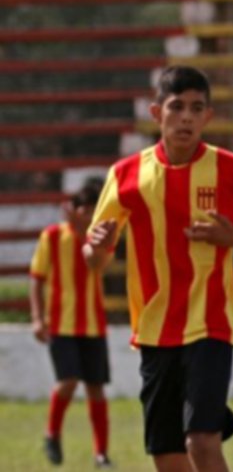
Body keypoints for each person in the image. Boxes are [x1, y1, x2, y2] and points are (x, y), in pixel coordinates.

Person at [84, 65, 233, 472]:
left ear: (208, 116)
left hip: (211, 324)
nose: (186, 116)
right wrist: (95, 249)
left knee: (202, 442)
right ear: (157, 113)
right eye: (177, 107)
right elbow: (95, 260)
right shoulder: (126, 175)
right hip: (154, 330)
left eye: (196, 108)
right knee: (167, 457)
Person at [29, 181, 114, 468]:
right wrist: (38, 318)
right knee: (67, 382)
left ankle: (101, 454)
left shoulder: (101, 241)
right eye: (85, 210)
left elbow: (96, 265)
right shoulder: (52, 236)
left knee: (96, 389)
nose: (89, 217)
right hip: (61, 325)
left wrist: (84, 235)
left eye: (94, 212)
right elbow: (36, 278)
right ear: (75, 210)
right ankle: (52, 433)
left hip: (93, 325)